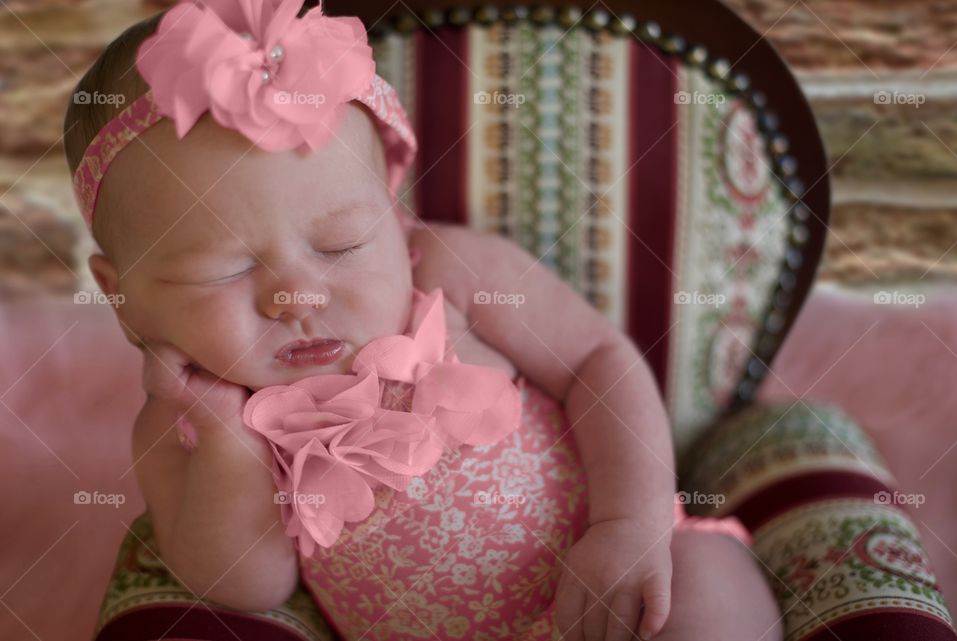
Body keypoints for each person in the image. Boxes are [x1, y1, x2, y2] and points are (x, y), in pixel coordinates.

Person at [64, 1, 781, 639]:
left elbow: (600, 357)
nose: (295, 295)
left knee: (706, 603)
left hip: (638, 572)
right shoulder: (178, 427)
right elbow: (249, 586)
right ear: (120, 292)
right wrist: (225, 440)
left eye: (341, 245)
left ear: (394, 215)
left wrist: (631, 524)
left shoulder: (447, 270)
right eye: (221, 270)